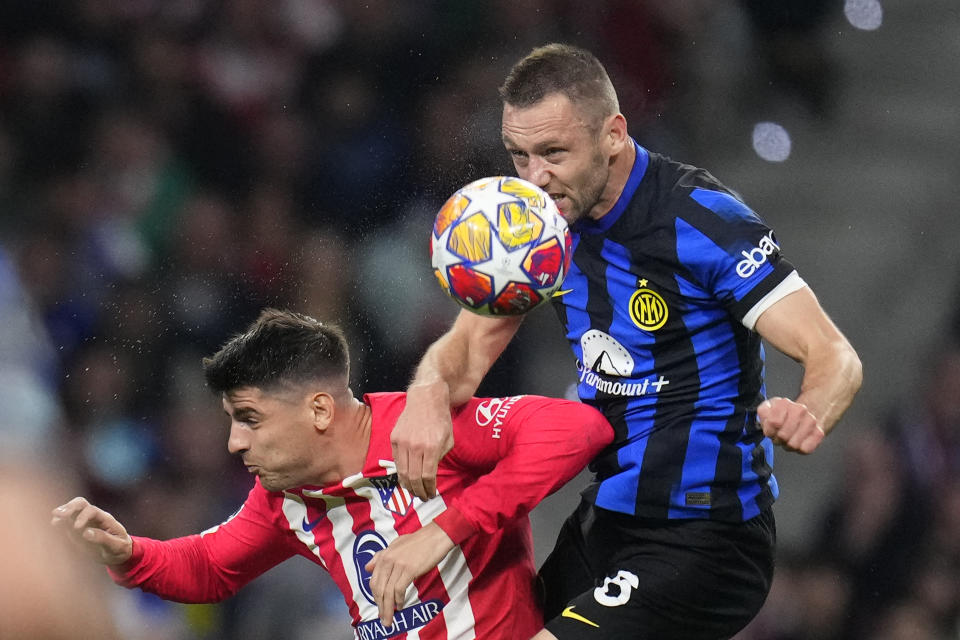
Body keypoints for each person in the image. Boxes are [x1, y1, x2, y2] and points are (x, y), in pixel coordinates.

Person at [390, 43, 863, 640]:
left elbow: (833, 355)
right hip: (609, 519)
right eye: (520, 156)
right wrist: (429, 392)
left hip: (707, 535)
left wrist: (809, 410)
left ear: (613, 134)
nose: (535, 178)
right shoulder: (538, 228)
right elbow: (463, 351)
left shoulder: (699, 218)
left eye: (554, 153)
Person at [51, 308, 613, 640]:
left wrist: (444, 530)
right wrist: (128, 554)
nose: (234, 442)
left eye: (249, 419)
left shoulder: (420, 429)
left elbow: (578, 430)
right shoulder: (283, 499)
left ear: (319, 410)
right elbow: (208, 567)